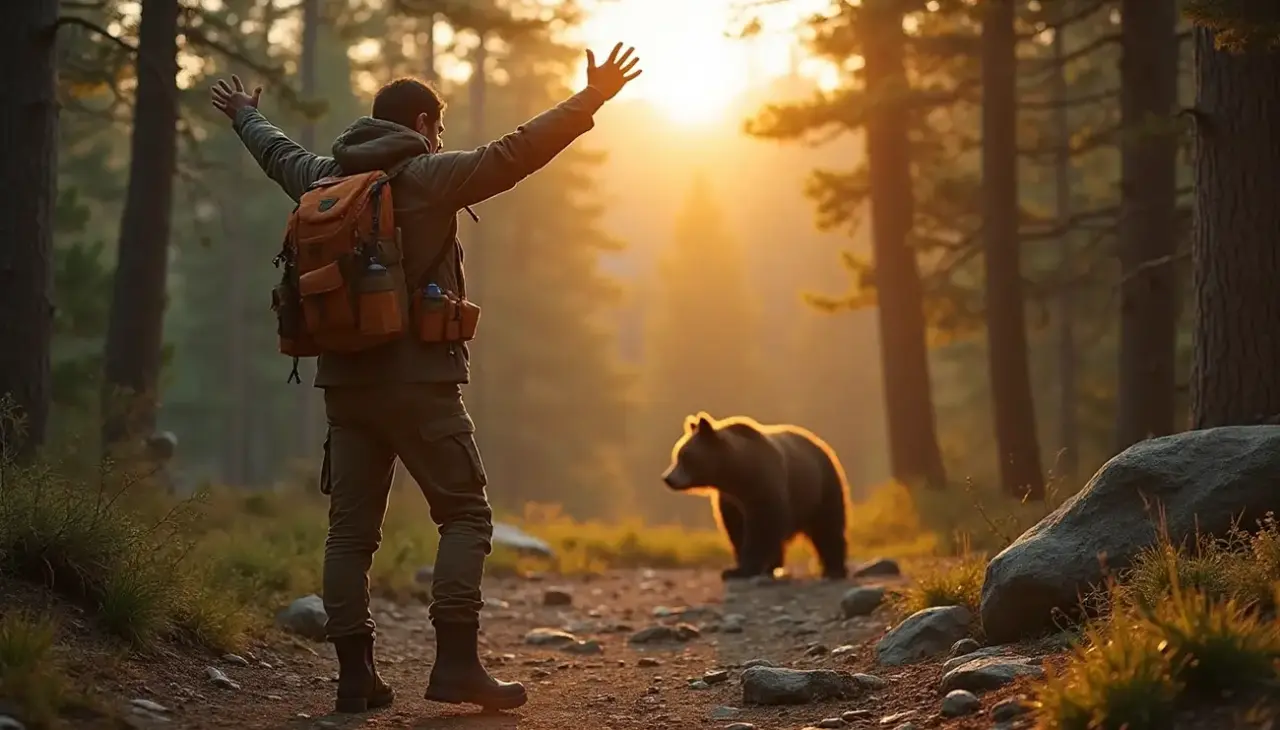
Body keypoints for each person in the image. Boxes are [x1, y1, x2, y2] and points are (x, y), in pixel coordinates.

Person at [210, 43, 642, 714]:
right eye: (436, 127)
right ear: (421, 123)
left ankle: (355, 678)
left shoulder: (324, 178)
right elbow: (518, 150)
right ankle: (458, 666)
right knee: (466, 515)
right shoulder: (429, 176)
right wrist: (592, 98)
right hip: (419, 385)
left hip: (345, 387)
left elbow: (278, 153)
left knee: (349, 534)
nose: (440, 138)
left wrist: (243, 115)